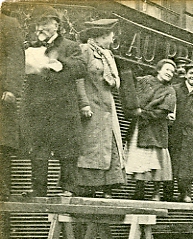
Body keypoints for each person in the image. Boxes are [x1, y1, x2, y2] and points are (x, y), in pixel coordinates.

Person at [21, 6, 86, 197]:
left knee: (67, 150)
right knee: (38, 151)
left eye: (44, 24)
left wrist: (59, 64)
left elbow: (82, 68)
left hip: (63, 108)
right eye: (37, 25)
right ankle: (38, 189)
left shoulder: (70, 46)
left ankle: (68, 188)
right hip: (38, 107)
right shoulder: (31, 48)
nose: (39, 29)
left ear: (56, 25)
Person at [75, 19, 125, 198]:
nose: (113, 39)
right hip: (92, 109)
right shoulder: (85, 50)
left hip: (107, 109)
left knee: (108, 147)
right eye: (111, 35)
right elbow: (78, 78)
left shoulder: (108, 56)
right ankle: (87, 187)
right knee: (91, 148)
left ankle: (106, 188)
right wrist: (83, 103)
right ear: (102, 36)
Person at [123, 59, 177, 201]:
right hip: (140, 128)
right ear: (158, 69)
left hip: (156, 130)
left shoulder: (170, 91)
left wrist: (142, 113)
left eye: (172, 72)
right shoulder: (144, 81)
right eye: (167, 69)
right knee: (139, 159)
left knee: (156, 161)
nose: (169, 73)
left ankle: (156, 193)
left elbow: (162, 112)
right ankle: (138, 190)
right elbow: (131, 91)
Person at [167, 62, 193, 202]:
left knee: (187, 166)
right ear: (185, 75)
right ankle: (167, 194)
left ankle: (185, 193)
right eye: (191, 73)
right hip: (174, 133)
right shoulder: (175, 89)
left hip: (191, 136)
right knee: (171, 163)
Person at [0, 9, 25, 201]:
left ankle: (2, 189)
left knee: (1, 144)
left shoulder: (9, 23)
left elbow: (16, 59)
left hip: (1, 94)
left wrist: (11, 89)